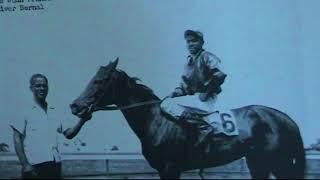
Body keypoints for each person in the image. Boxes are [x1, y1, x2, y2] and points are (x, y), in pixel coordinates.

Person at [10, 74, 91, 179]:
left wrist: (82, 120)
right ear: (31, 88)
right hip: (34, 167)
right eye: (38, 86)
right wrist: (25, 164)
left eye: (44, 86)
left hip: (54, 165)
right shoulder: (24, 109)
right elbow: (17, 139)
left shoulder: (55, 111)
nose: (42, 89)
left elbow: (69, 134)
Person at [161, 30, 227, 149]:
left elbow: (220, 75)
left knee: (166, 105)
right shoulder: (189, 62)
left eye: (194, 41)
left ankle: (204, 127)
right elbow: (183, 87)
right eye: (188, 42)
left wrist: (206, 92)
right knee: (166, 102)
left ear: (201, 42)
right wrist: (173, 94)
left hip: (207, 99)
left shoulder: (207, 56)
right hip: (195, 99)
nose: (190, 44)